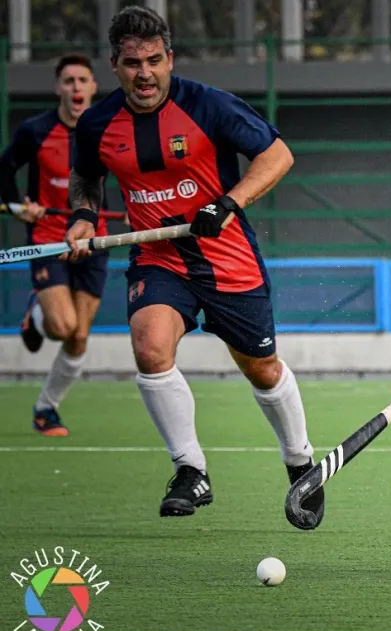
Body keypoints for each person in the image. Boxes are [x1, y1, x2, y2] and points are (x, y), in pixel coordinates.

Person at [63, 5, 324, 525]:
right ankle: (190, 468)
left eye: (154, 61)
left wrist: (227, 203)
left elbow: (277, 156)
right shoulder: (98, 123)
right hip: (159, 260)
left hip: (227, 258)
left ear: (169, 58)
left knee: (262, 369)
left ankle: (299, 461)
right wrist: (84, 217)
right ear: (115, 65)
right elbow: (86, 177)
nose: (145, 74)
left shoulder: (209, 105)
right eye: (133, 63)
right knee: (149, 346)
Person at [0, 54, 114, 437]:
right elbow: (4, 169)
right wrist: (20, 208)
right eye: (69, 81)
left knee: (79, 335)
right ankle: (36, 316)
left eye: (83, 80)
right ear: (58, 88)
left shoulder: (108, 129)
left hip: (96, 237)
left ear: (94, 87)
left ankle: (46, 409)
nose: (76, 88)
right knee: (62, 325)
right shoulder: (35, 130)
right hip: (48, 237)